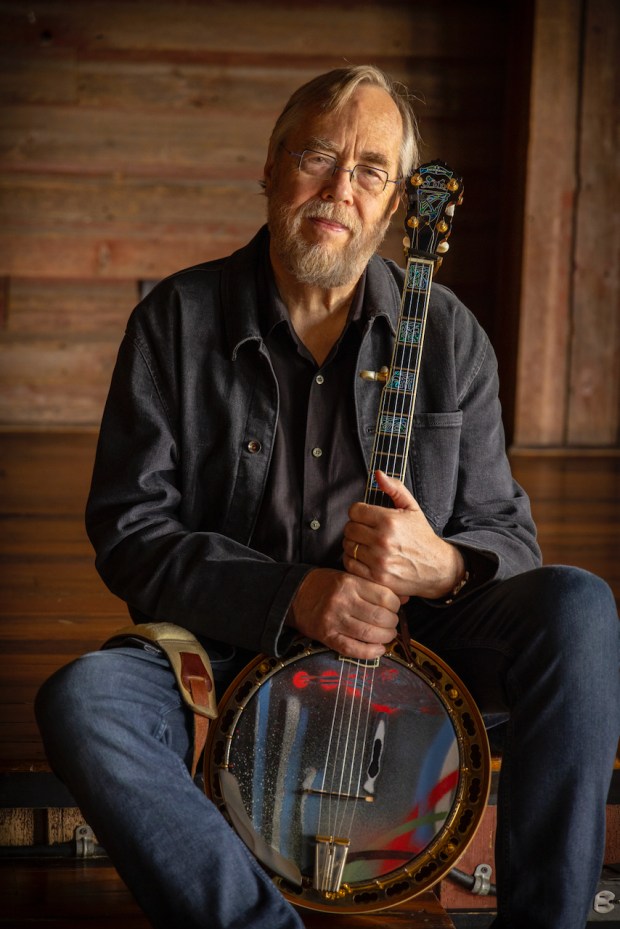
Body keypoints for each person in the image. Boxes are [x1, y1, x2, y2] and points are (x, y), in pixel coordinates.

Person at [35, 65, 618, 929]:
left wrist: (447, 564)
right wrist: (293, 593)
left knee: (581, 607)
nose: (341, 187)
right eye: (317, 155)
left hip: (415, 638)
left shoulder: (451, 335)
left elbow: (510, 534)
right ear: (271, 168)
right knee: (82, 701)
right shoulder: (173, 320)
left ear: (393, 209)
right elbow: (131, 530)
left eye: (372, 170)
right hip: (230, 643)